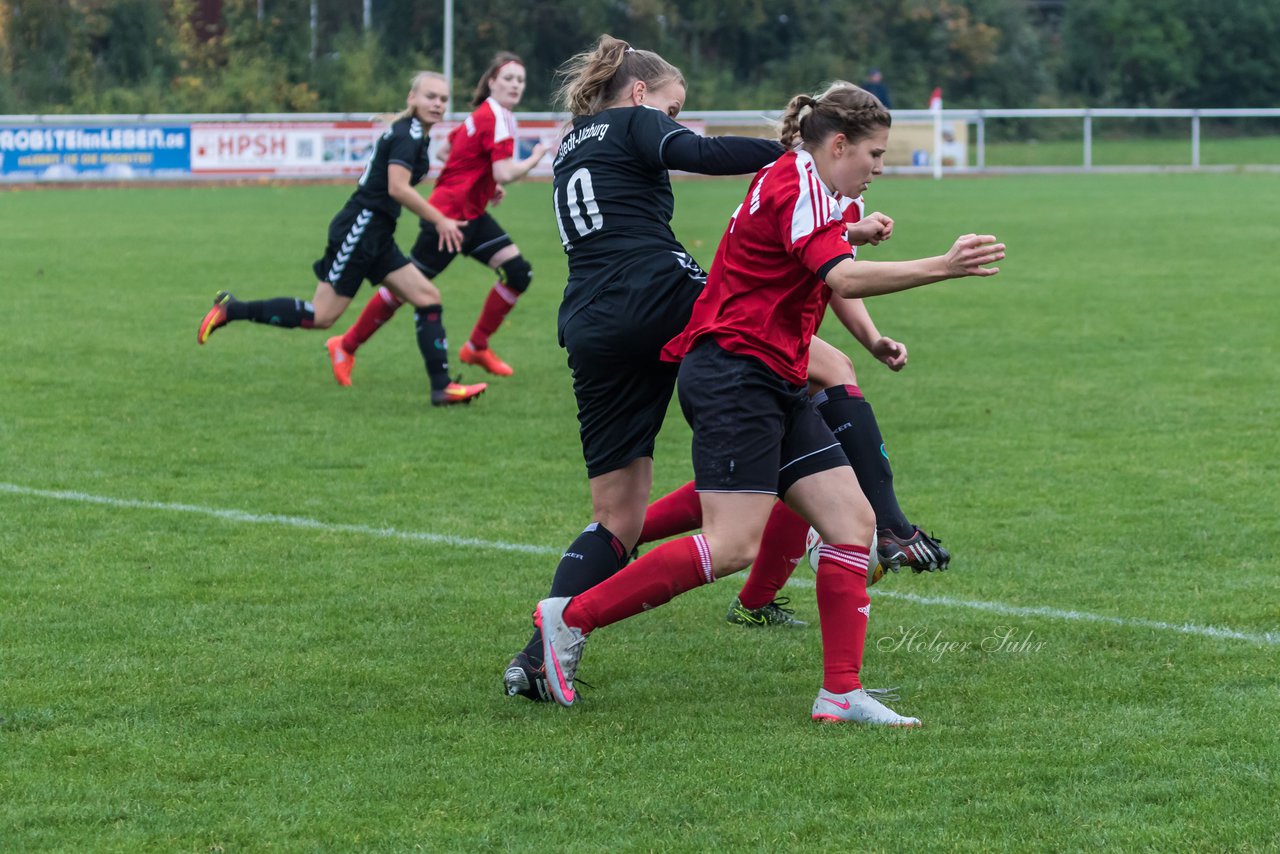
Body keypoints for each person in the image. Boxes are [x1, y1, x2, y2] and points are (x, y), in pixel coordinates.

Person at [533, 81, 1005, 725]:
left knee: (850, 525)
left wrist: (857, 235)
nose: (880, 167)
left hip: (770, 374)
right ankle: (569, 620)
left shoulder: (811, 185)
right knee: (730, 546)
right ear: (839, 144)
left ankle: (840, 693)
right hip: (735, 376)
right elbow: (839, 276)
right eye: (875, 154)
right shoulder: (797, 182)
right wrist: (941, 266)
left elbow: (825, 263)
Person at [499, 35, 788, 702]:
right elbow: (703, 155)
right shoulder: (633, 120)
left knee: (617, 519)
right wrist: (794, 157)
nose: (675, 120)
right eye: (673, 107)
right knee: (808, 362)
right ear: (639, 94)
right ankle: (874, 521)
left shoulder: (574, 141)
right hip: (653, 291)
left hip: (591, 323)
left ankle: (539, 651)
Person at [196, 71, 488, 407]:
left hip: (377, 233)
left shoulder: (416, 135)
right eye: (430, 97)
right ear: (412, 98)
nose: (437, 104)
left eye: (443, 99)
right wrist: (440, 220)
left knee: (427, 297)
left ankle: (442, 388)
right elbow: (397, 188)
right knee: (322, 316)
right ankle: (232, 310)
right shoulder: (408, 134)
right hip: (361, 229)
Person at [326, 52, 550, 384]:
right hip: (448, 218)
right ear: (492, 82)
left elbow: (450, 153)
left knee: (518, 272)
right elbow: (504, 169)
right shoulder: (497, 117)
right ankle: (345, 344)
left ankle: (476, 346)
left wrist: (485, 185)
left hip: (471, 214)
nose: (515, 85)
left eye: (520, 80)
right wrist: (535, 158)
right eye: (508, 78)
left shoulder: (483, 115)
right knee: (407, 289)